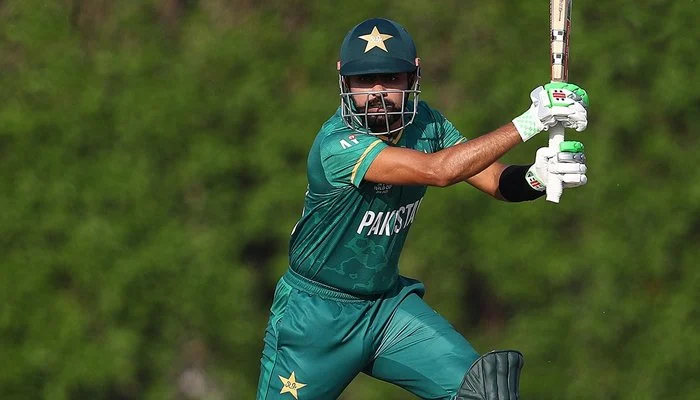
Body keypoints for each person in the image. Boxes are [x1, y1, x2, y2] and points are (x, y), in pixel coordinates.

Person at [257, 17, 588, 400]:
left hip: (386, 311)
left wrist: (535, 177)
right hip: (314, 318)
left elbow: (493, 181)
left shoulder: (427, 124)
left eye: (391, 78)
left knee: (486, 391)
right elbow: (440, 171)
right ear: (344, 80)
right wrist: (530, 121)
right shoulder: (337, 145)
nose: (378, 92)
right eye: (365, 81)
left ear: (413, 77)